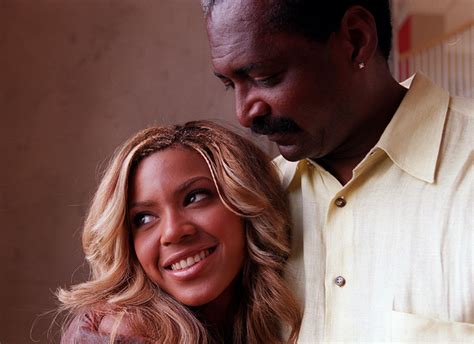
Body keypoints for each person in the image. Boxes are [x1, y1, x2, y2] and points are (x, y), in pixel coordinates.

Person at [201, 0, 474, 342]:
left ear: (356, 39)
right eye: (230, 84)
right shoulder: (254, 202)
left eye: (265, 77)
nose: (244, 113)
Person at [57, 120, 302, 343]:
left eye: (195, 197)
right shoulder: (115, 334)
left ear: (246, 204)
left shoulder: (279, 311)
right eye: (143, 218)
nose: (173, 232)